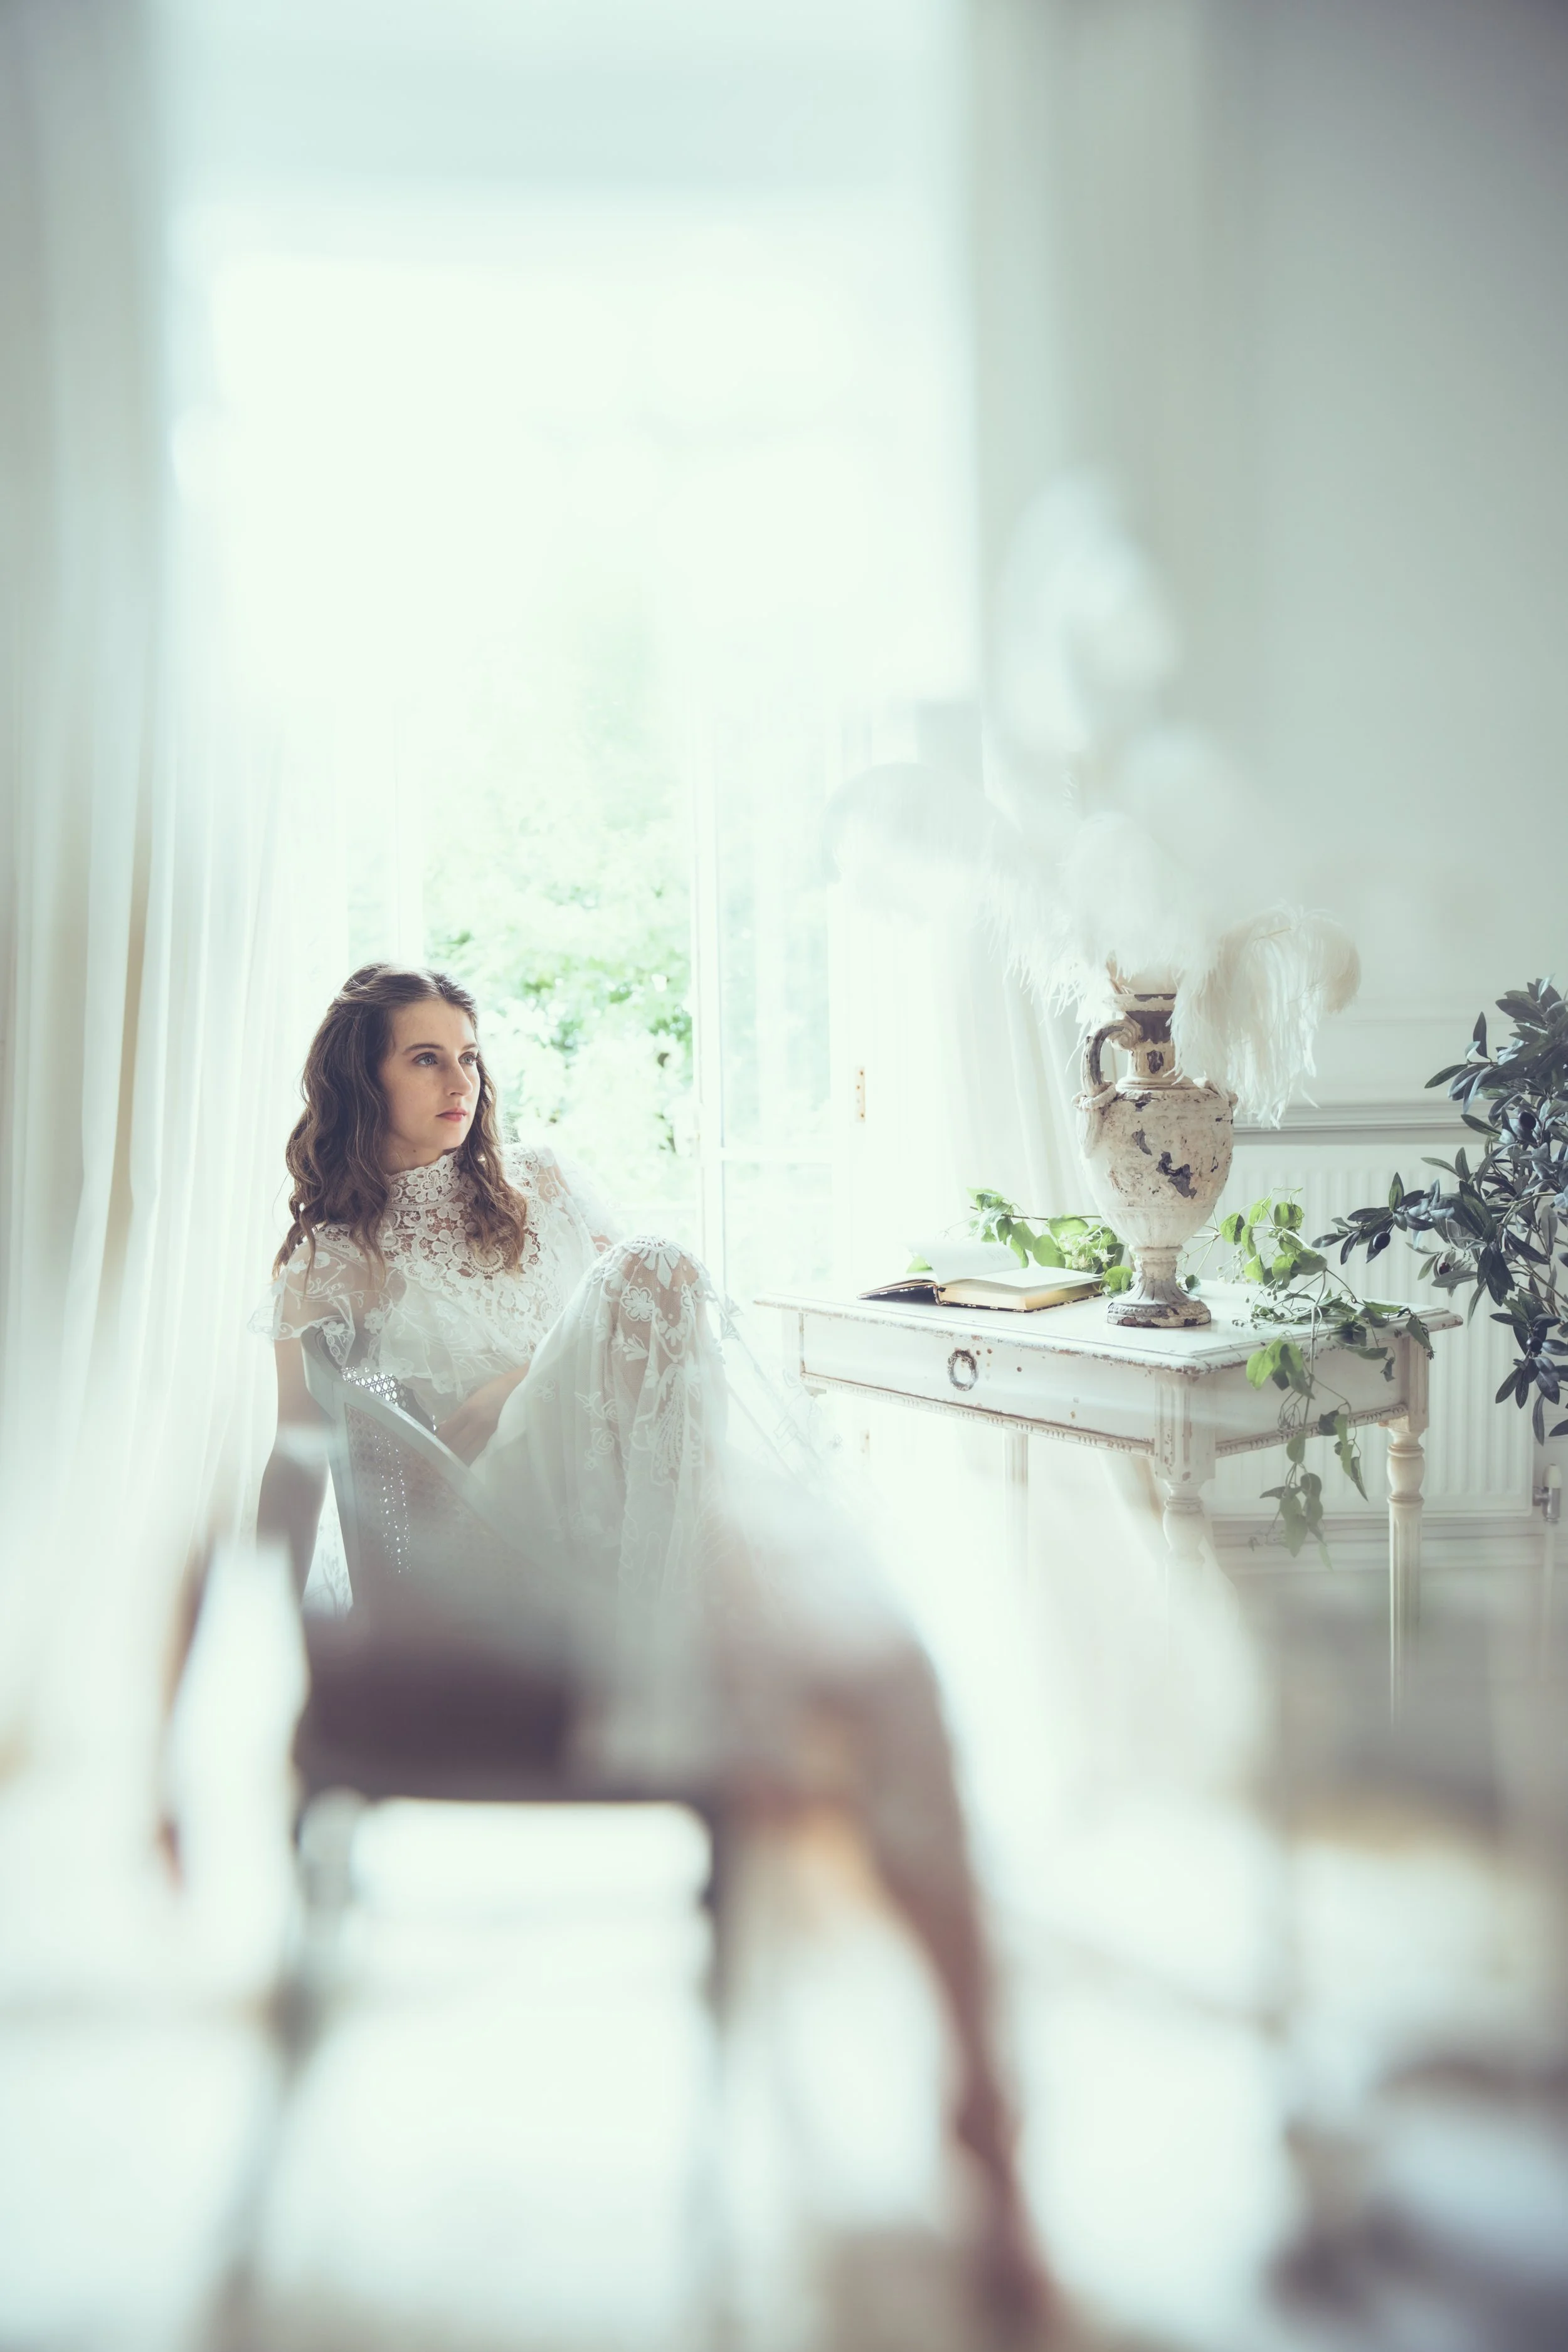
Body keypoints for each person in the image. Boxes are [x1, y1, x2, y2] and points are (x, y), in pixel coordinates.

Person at [255, 961, 1050, 2319]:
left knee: (878, 1659)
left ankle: (983, 2098)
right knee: (659, 1272)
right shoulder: (335, 1258)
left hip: (616, 1508)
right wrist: (291, 1635)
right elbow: (335, 1467)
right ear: (359, 1081)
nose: (462, 1085)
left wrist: (527, 1386)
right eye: (424, 1061)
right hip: (487, 1541)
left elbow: (665, 1394)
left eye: (468, 1056)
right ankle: (707, 1665)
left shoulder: (541, 1190)